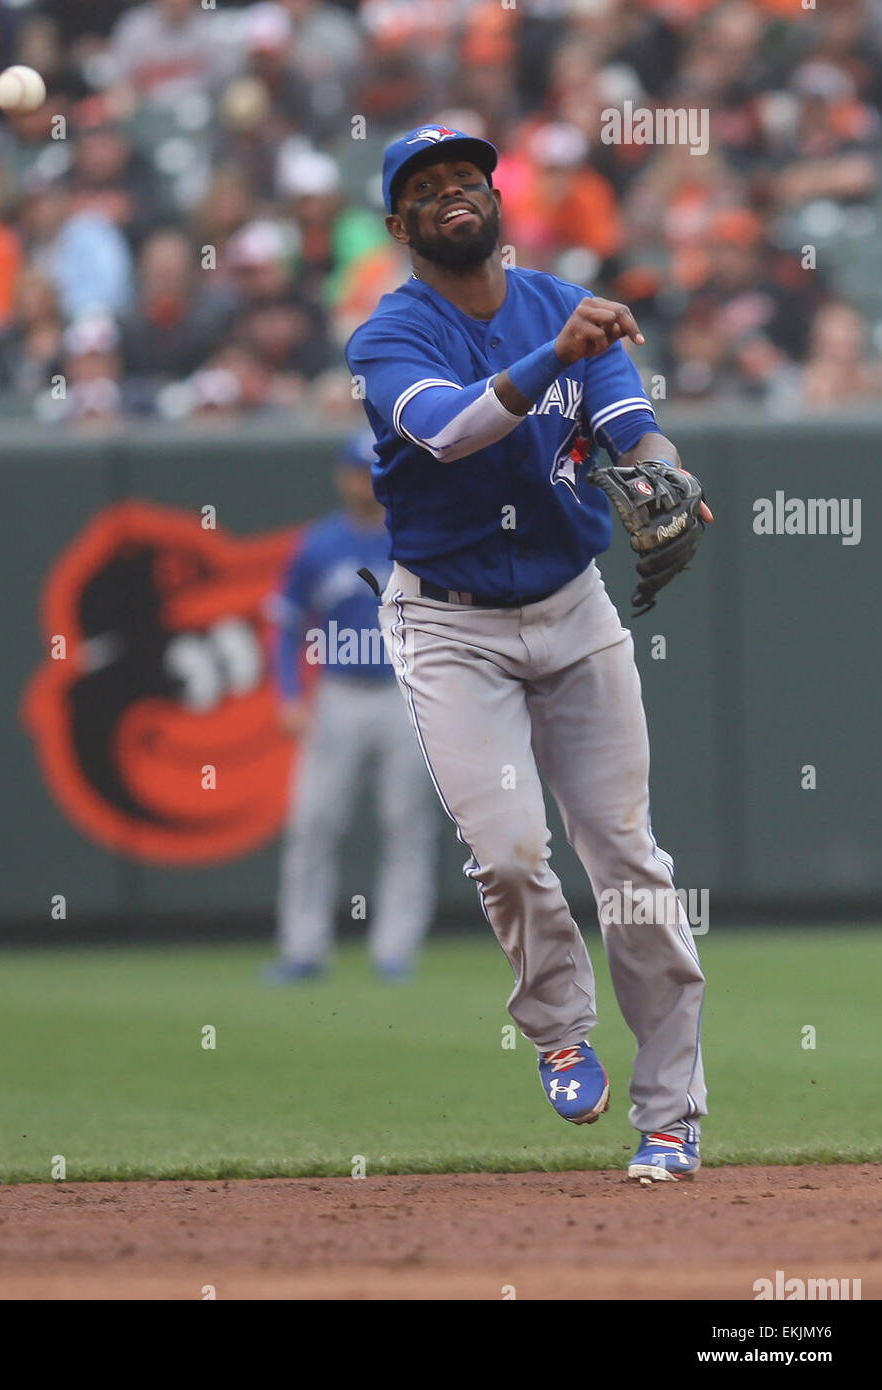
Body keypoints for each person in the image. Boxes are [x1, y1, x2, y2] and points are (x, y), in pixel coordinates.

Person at [345, 125, 710, 1181]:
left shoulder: (561, 300)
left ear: (496, 199)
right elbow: (454, 429)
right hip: (450, 624)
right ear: (400, 224)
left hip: (571, 606)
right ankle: (557, 1023)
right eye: (427, 187)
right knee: (508, 852)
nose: (453, 192)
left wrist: (665, 476)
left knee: (632, 866)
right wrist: (558, 355)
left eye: (468, 177)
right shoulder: (389, 335)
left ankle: (671, 1115)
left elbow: (636, 430)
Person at [268, 433, 438, 983]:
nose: (366, 480)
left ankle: (395, 949)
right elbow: (285, 625)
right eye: (357, 471)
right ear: (342, 477)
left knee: (406, 822)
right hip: (338, 694)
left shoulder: (415, 537)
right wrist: (288, 694)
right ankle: (303, 948)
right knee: (313, 822)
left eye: (375, 470)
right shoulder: (319, 545)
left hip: (404, 693)